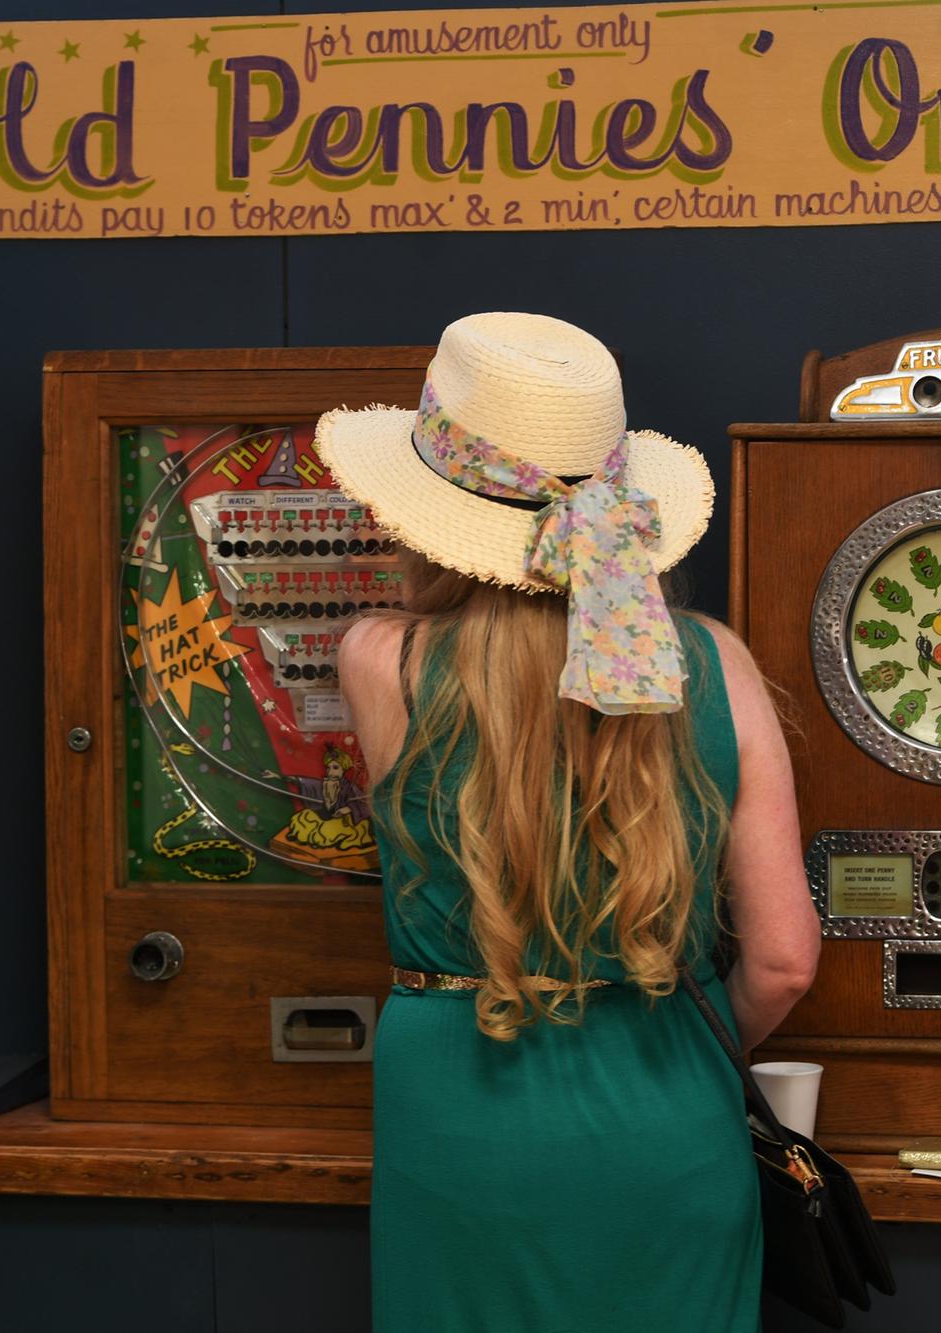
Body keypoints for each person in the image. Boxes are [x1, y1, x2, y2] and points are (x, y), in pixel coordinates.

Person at [319, 312, 818, 1332]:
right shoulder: (713, 664)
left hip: (462, 1121)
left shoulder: (377, 659)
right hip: (667, 1116)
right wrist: (677, 1037)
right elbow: (781, 963)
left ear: (426, 508)